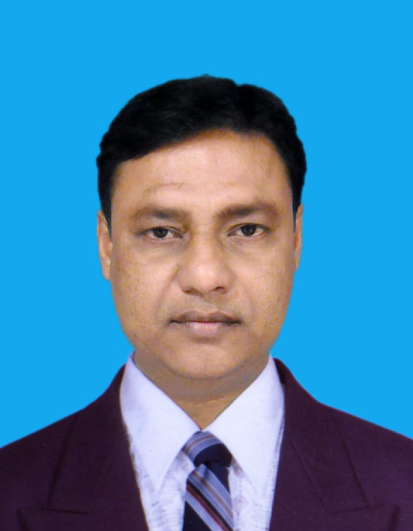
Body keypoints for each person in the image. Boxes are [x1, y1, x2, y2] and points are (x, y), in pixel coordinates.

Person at [1, 76, 412, 531]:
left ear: (296, 240)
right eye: (161, 232)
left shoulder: (403, 486)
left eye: (247, 230)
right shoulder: (9, 491)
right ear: (106, 245)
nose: (205, 277)